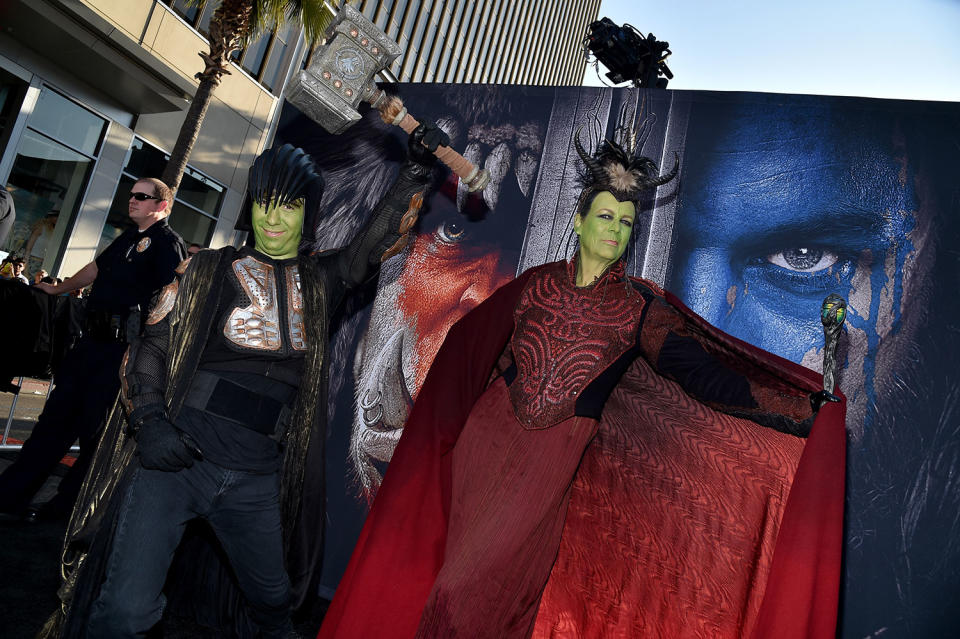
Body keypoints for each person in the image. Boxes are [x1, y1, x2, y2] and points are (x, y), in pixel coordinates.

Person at [318, 125, 848, 638]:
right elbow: (467, 353)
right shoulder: (535, 283)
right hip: (482, 445)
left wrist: (801, 409)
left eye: (624, 222)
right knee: (440, 575)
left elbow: (708, 379)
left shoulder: (640, 311)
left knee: (470, 597)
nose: (614, 229)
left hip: (546, 466)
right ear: (579, 221)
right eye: (604, 216)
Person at [45, 128, 446, 638]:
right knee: (122, 612)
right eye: (264, 204)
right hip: (175, 465)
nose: (273, 219)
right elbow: (152, 348)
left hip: (256, 479)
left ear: (308, 213)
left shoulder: (323, 281)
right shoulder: (204, 270)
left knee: (275, 607)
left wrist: (412, 172)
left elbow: (376, 242)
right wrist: (148, 421)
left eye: (289, 207)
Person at [0, 177, 185, 521]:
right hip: (89, 345)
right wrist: (58, 290)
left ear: (162, 205)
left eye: (142, 197)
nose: (132, 201)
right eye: (131, 195)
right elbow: (95, 269)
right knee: (52, 423)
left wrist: (144, 354)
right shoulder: (128, 237)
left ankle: (66, 512)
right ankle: (9, 497)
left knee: (94, 436)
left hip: (120, 354)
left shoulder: (167, 243)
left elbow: (169, 299)